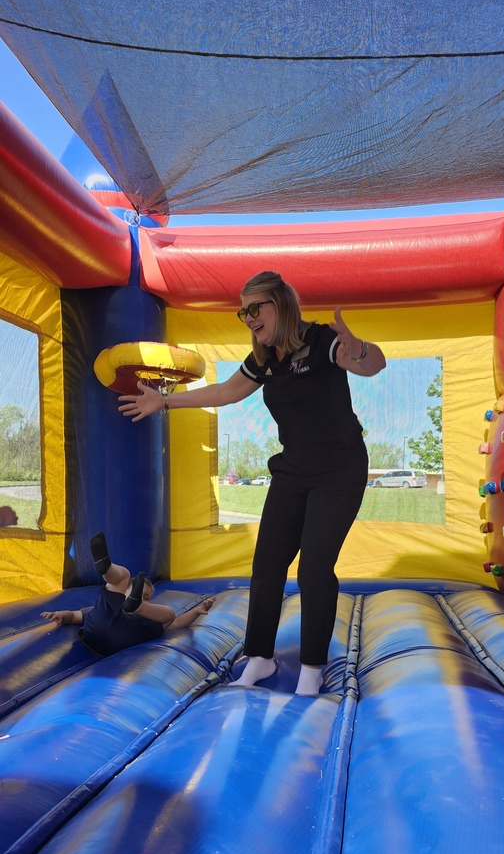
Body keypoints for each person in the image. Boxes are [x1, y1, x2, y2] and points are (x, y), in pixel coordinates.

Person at [118, 272, 386, 694]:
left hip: (339, 469)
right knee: (267, 566)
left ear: (282, 304)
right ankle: (259, 657)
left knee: (314, 569)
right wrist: (165, 401)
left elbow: (371, 365)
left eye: (256, 307)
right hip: (293, 469)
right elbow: (225, 392)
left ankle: (312, 670)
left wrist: (362, 350)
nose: (248, 317)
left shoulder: (321, 341)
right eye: (243, 311)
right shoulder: (264, 358)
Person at [41, 531, 215, 656]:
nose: (145, 598)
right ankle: (106, 568)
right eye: (140, 596)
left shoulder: (146, 619)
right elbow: (73, 616)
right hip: (116, 633)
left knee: (166, 612)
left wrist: (196, 611)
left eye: (146, 598)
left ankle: (108, 571)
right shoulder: (106, 609)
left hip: (105, 633)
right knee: (167, 612)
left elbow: (177, 623)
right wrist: (60, 615)